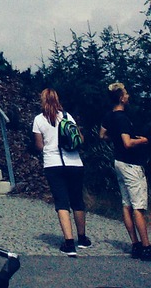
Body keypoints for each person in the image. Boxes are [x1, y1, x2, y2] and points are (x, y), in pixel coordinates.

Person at [32, 87, 91, 256]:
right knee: (77, 200)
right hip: (74, 162)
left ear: (42, 100)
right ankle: (83, 238)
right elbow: (80, 138)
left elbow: (38, 145)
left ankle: (69, 243)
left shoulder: (38, 120)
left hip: (53, 164)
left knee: (62, 202)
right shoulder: (67, 116)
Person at [104, 82, 151, 259]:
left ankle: (135, 244)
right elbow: (127, 142)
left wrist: (114, 138)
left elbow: (102, 134)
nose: (128, 96)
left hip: (119, 162)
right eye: (126, 93)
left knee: (126, 203)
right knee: (138, 206)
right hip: (131, 164)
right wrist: (143, 141)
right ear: (121, 98)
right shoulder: (122, 118)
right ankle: (146, 246)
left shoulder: (109, 116)